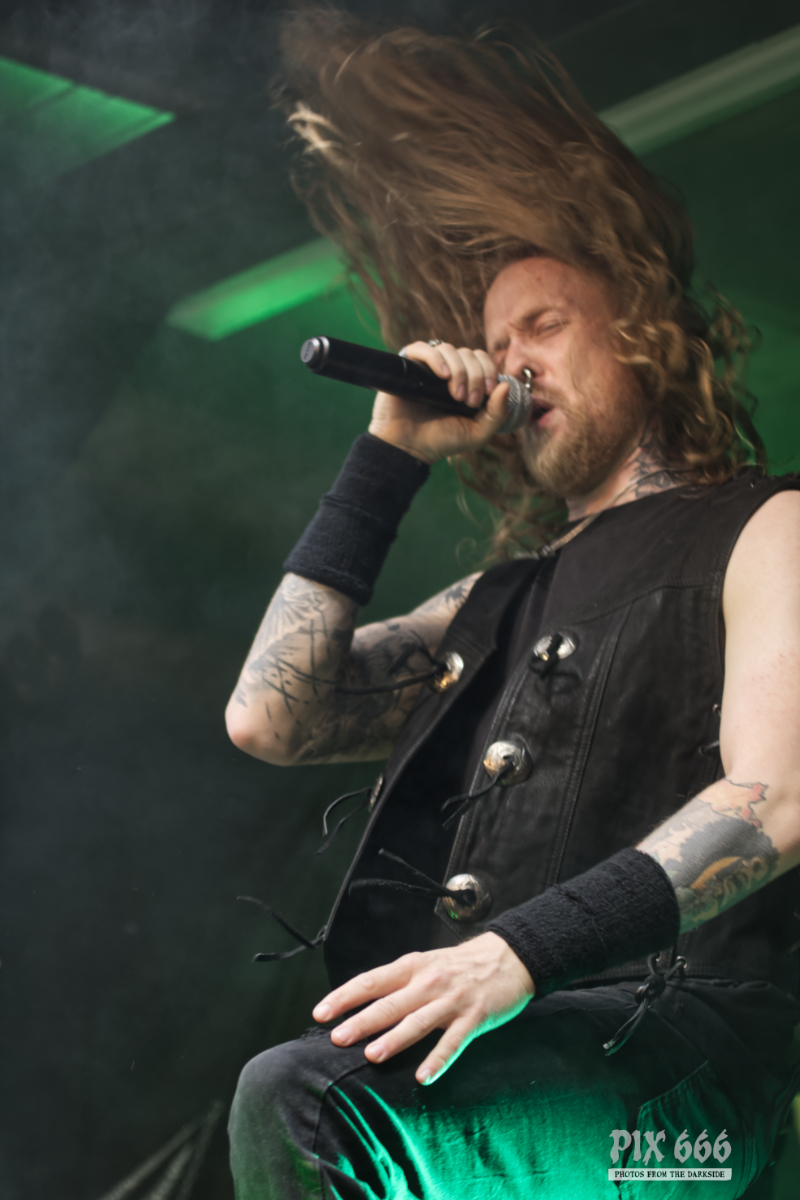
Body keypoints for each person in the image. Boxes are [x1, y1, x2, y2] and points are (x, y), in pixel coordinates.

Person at [224, 13, 800, 1198]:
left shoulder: (766, 526)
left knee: (311, 1105)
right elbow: (269, 717)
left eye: (543, 325)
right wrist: (386, 454)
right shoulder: (495, 599)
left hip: (683, 1096)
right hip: (510, 1060)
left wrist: (512, 955)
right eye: (495, 342)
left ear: (643, 335)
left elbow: (779, 798)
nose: (512, 361)